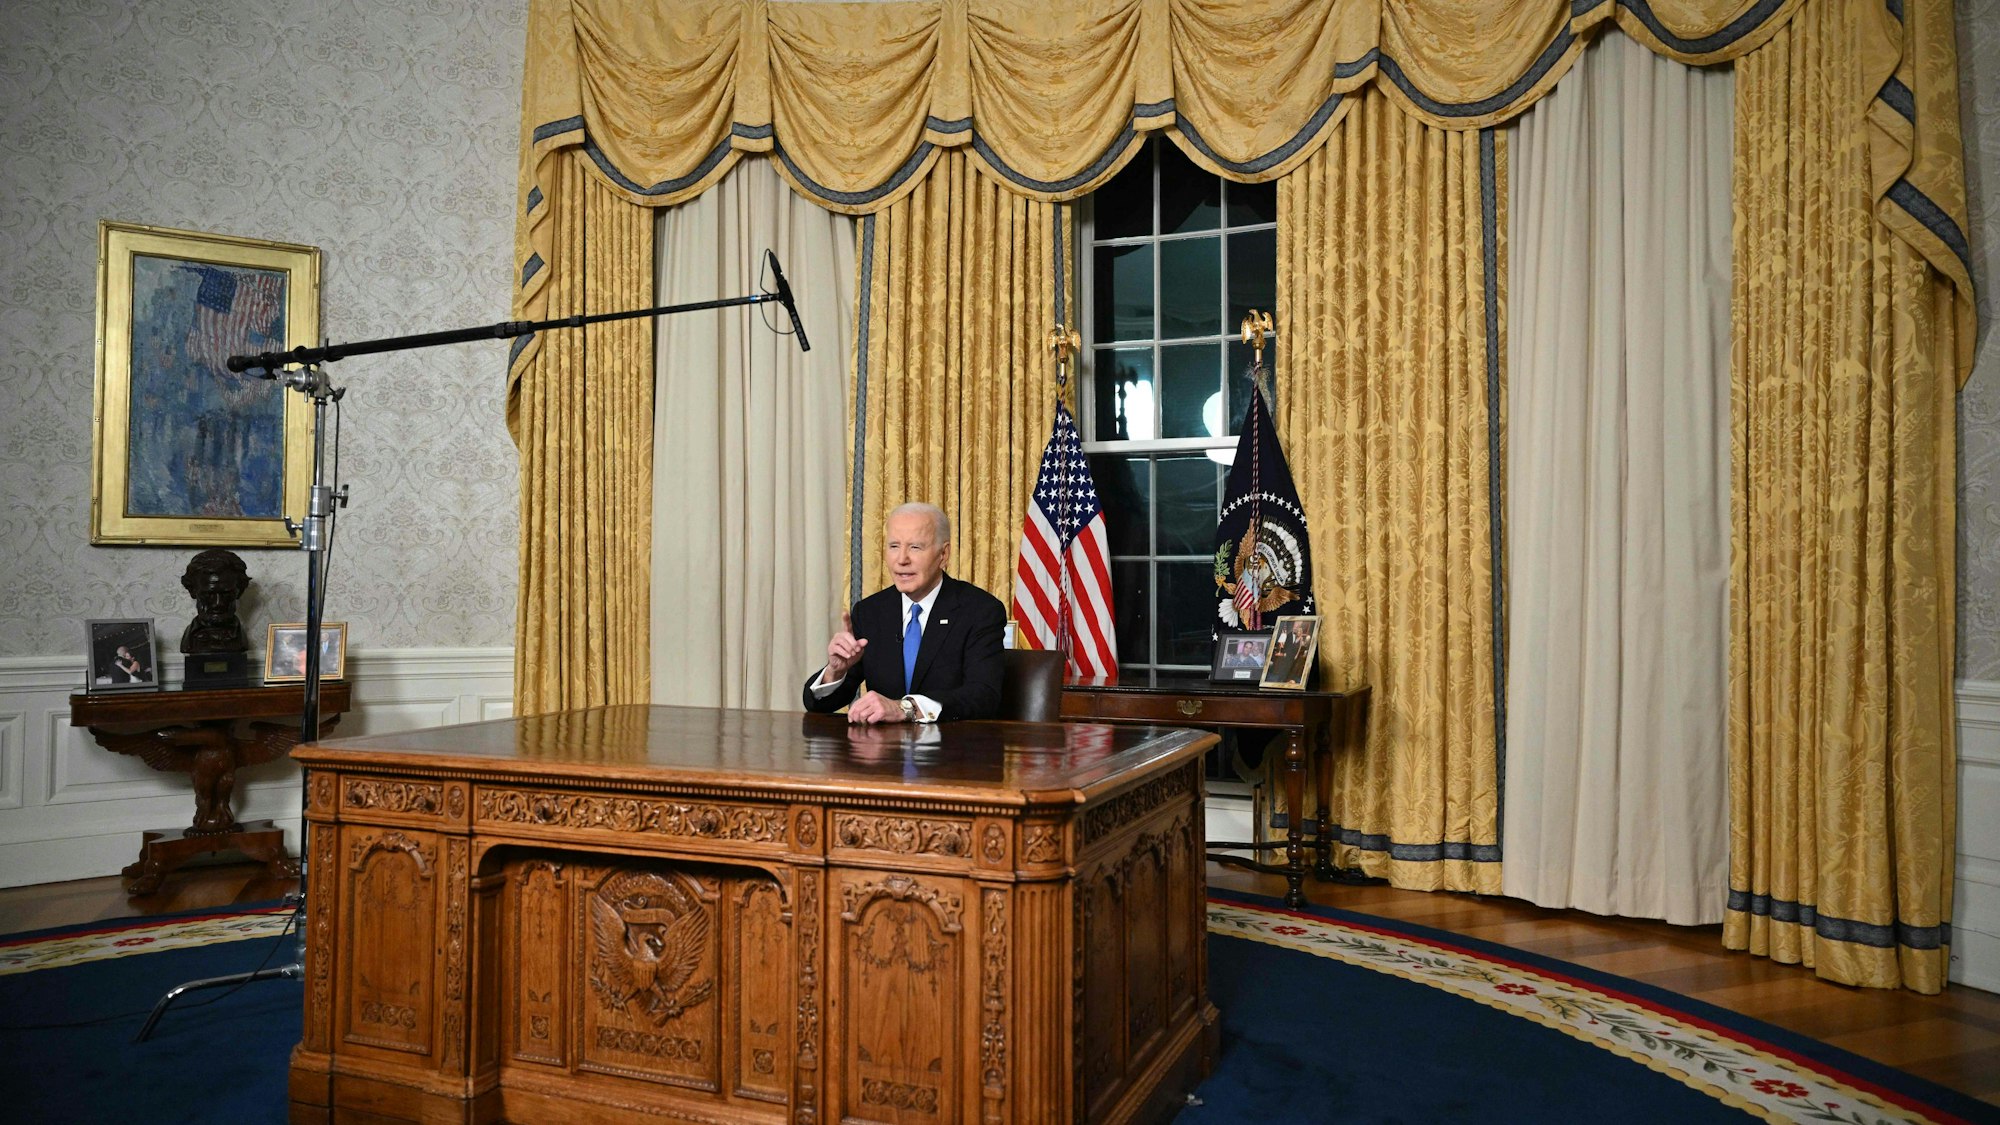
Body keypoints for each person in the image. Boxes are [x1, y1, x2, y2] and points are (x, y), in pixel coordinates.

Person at [804, 502, 1006, 723]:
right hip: (883, 752)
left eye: (915, 547)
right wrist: (836, 672)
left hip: (951, 750)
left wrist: (906, 708)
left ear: (943, 554)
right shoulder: (870, 612)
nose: (901, 559)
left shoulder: (980, 611)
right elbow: (820, 704)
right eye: (893, 546)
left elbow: (984, 696)